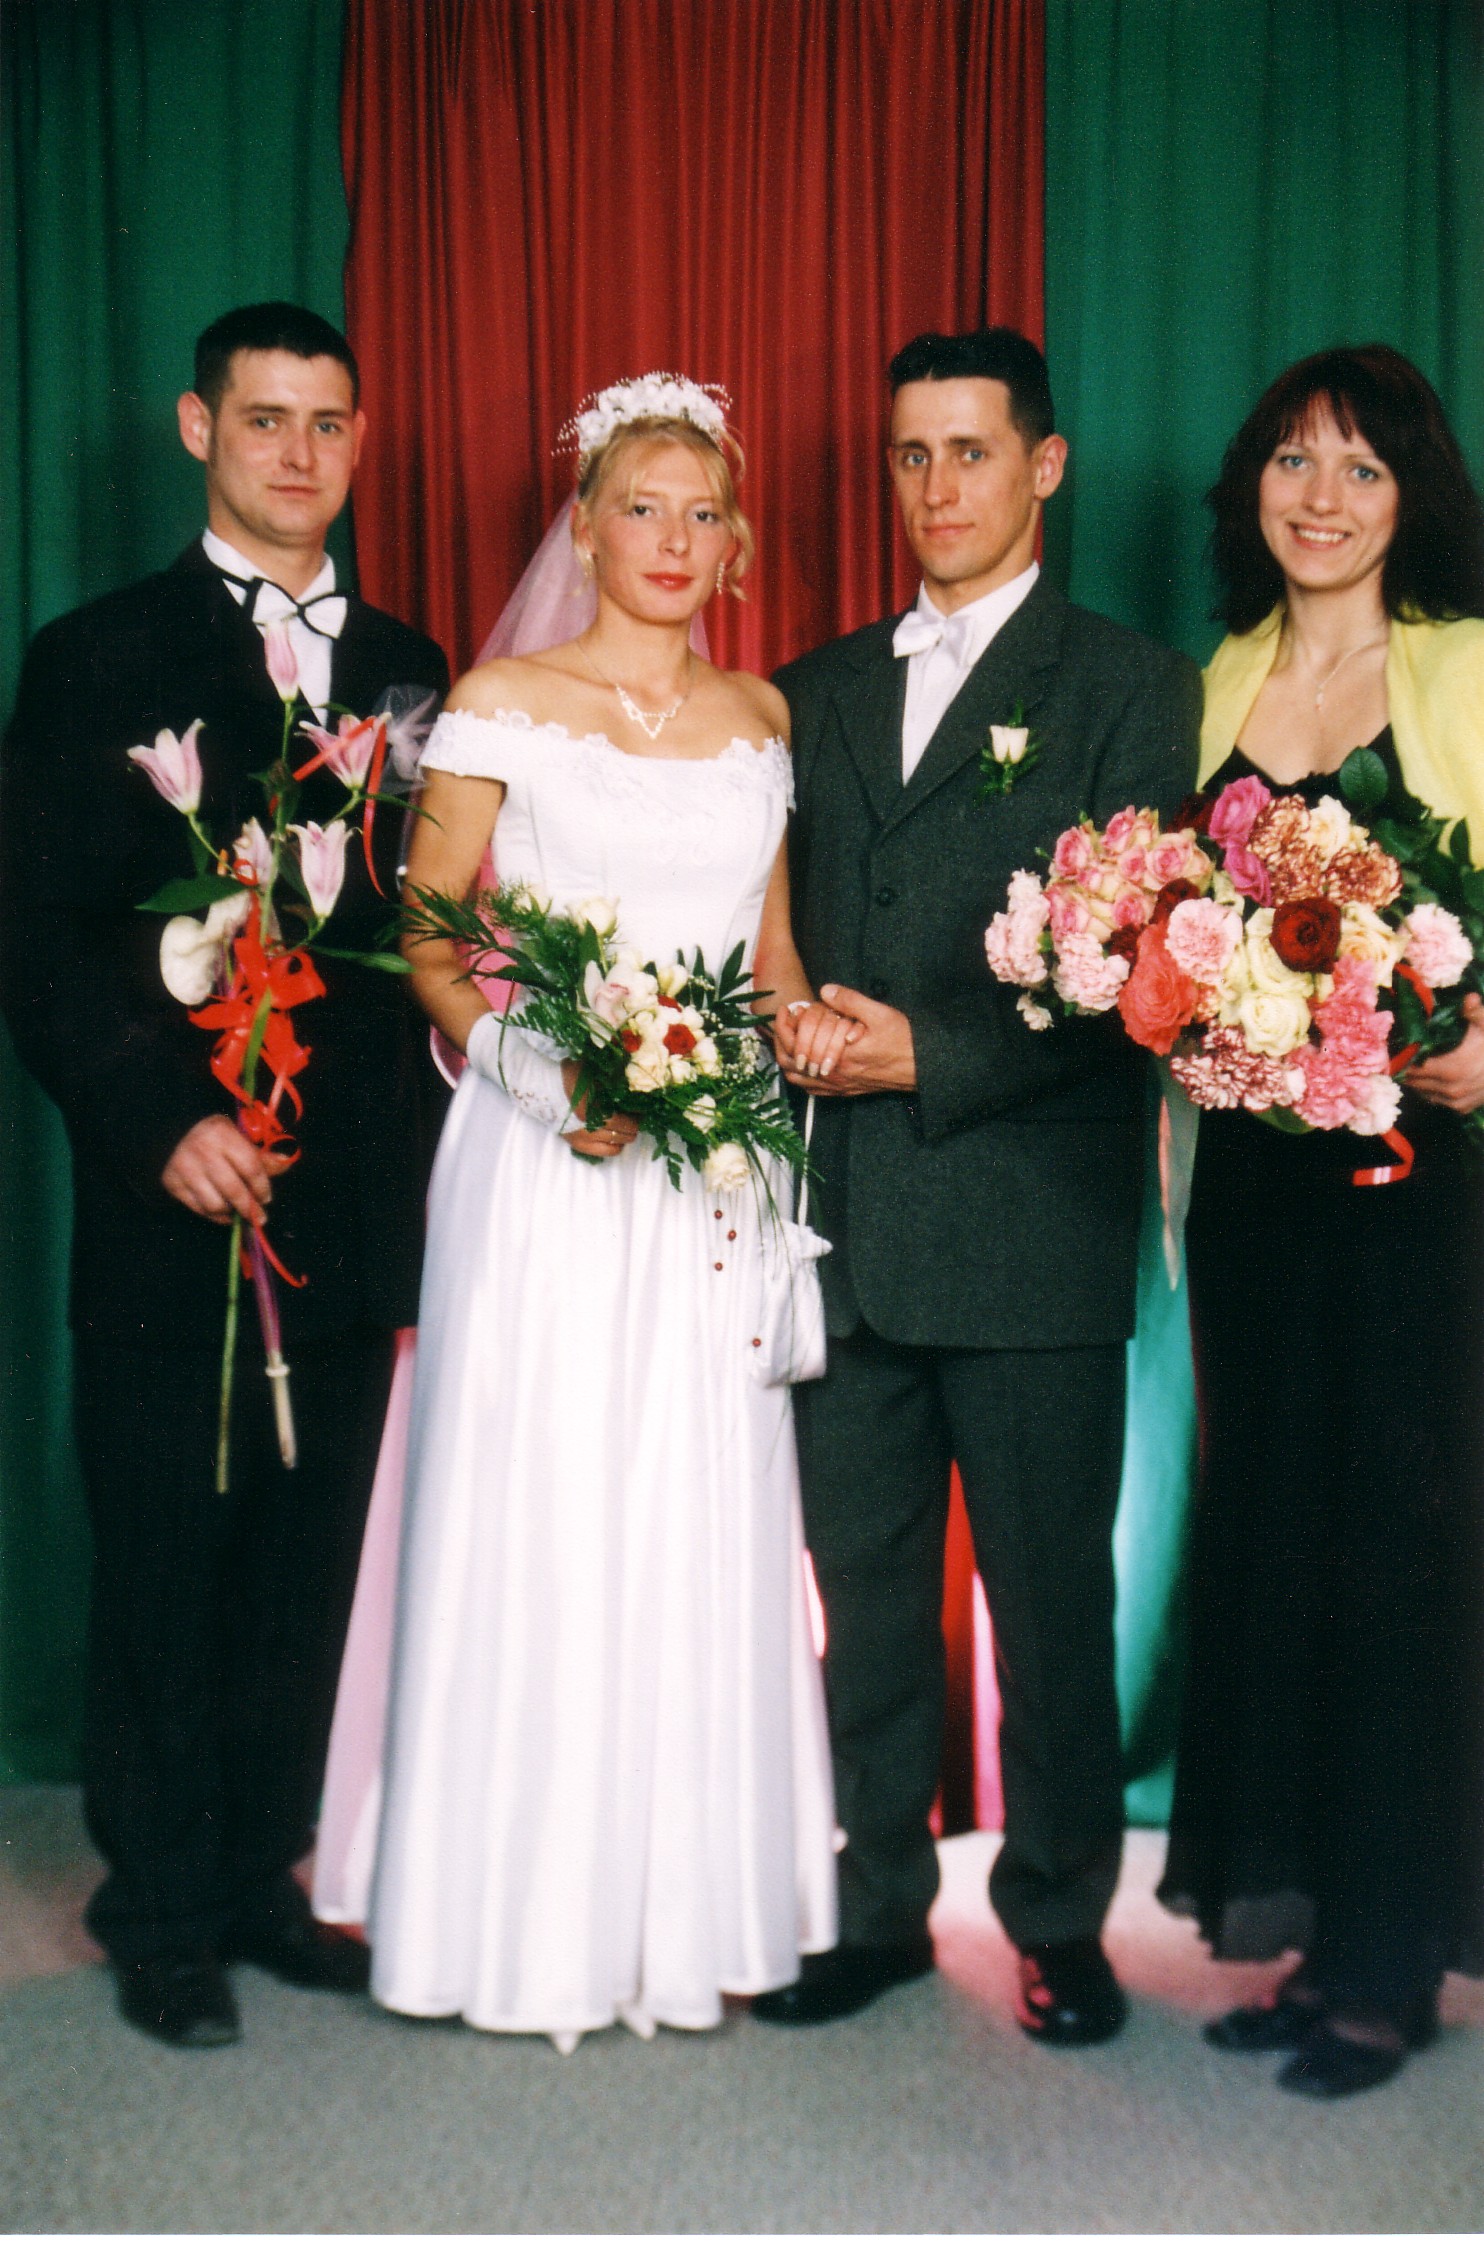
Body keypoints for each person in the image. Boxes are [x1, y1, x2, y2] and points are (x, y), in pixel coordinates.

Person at [353, 378, 838, 2049]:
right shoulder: (504, 702)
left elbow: (769, 960)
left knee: (698, 1502)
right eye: (643, 506)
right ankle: (510, 1926)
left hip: (714, 1172)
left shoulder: (763, 717)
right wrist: (543, 1069)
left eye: (704, 513)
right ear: (585, 525)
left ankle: (687, 1917)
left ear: (736, 541)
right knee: (544, 1497)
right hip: (546, 1158)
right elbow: (428, 931)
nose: (674, 540)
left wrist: (796, 1054)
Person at [0, 303, 449, 2048]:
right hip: (167, 1197)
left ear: (360, 438)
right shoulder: (92, 655)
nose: (298, 453)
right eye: (265, 419)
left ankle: (263, 1875)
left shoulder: (408, 664)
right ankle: (161, 1909)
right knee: (166, 1562)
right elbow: (37, 939)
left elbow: (423, 929)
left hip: (341, 1200)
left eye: (327, 423)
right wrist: (157, 1123)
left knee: (302, 1562)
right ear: (199, 428)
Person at [756, 327, 1202, 2042]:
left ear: (1046, 465)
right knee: (862, 1594)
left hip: (1028, 1231)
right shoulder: (813, 686)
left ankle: (1061, 1920)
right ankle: (877, 1905)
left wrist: (924, 1057)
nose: (937, 486)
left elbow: (1140, 980)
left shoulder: (1132, 688)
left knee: (1049, 1604)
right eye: (911, 455)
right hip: (847, 1224)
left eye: (971, 450)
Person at [1158, 343, 1484, 2097]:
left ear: (1412, 495)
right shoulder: (1211, 685)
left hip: (1428, 1185)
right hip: (1259, 1189)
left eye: (1363, 465)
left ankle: (1390, 1961)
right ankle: (1319, 1929)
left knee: (1404, 1555)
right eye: (1294, 459)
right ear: (1253, 489)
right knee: (1278, 1530)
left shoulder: (1470, 672)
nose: (1325, 496)